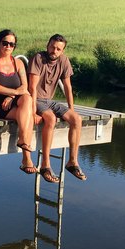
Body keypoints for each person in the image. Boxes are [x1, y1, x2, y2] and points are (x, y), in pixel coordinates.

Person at [28, 34, 86, 183]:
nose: (54, 51)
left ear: (62, 51)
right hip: (36, 99)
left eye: (58, 49)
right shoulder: (38, 58)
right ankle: (45, 165)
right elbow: (32, 87)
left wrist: (71, 109)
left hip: (50, 101)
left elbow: (67, 86)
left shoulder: (64, 61)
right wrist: (33, 110)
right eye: (52, 47)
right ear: (47, 45)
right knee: (51, 118)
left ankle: (72, 162)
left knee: (77, 119)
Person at [0, 29, 36, 175]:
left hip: (14, 102)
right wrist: (13, 93)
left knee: (27, 99)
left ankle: (22, 141)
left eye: (12, 44)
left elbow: (24, 87)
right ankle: (26, 157)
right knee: (28, 116)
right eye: (5, 43)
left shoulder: (18, 62)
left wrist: (12, 97)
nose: (8, 47)